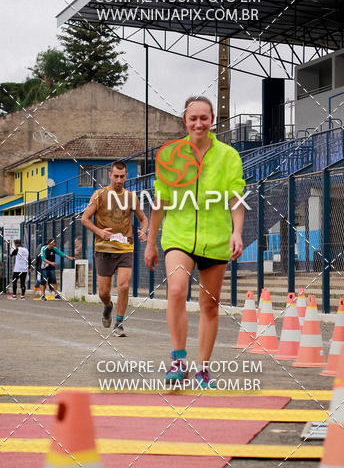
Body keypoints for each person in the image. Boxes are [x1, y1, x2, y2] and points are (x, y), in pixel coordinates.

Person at [145, 96, 246, 388]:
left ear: (212, 119)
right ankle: (178, 362)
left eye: (204, 118)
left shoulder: (228, 156)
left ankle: (203, 369)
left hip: (215, 239)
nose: (198, 123)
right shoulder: (170, 156)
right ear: (185, 121)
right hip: (179, 236)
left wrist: (236, 231)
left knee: (209, 305)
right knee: (176, 290)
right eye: (193, 118)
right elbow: (160, 201)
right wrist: (151, 242)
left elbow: (236, 197)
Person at [81, 161, 148, 337]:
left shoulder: (131, 197)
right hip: (103, 249)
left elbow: (144, 218)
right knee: (104, 292)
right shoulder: (99, 195)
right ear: (110, 175)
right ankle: (108, 306)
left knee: (124, 286)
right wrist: (99, 231)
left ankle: (118, 323)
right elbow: (85, 218)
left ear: (127, 176)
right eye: (116, 176)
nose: (119, 180)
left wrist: (143, 231)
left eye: (122, 176)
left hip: (125, 248)